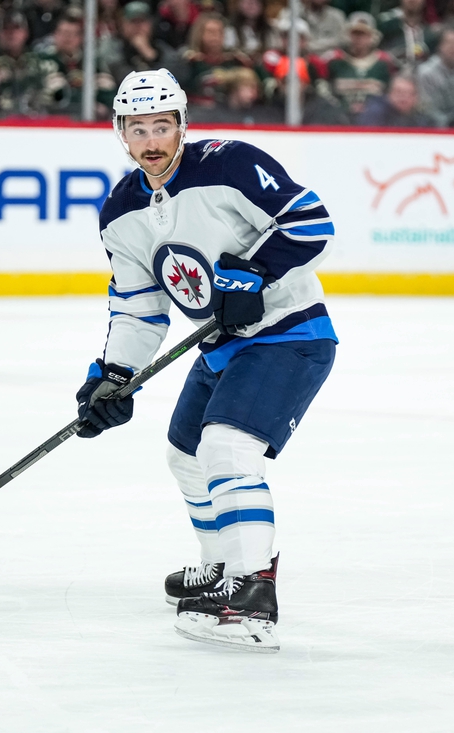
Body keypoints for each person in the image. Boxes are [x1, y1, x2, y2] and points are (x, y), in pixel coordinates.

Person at [77, 69, 336, 653]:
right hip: (220, 344)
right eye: (137, 127)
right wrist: (115, 375)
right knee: (186, 453)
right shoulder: (121, 209)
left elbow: (312, 221)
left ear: (182, 124)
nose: (151, 140)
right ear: (120, 132)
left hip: (288, 332)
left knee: (227, 449)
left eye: (162, 126)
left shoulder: (230, 164)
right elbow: (139, 307)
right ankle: (222, 567)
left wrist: (254, 270)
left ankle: (252, 593)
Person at [315, 11, 394, 118]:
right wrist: (341, 107)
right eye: (354, 33)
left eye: (363, 34)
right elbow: (323, 90)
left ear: (372, 36)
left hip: (376, 119)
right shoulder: (333, 60)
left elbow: (390, 93)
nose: (358, 39)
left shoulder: (384, 62)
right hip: (339, 117)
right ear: (347, 35)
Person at [105, 1, 185, 85]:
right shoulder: (112, 47)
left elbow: (179, 75)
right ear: (122, 24)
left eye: (142, 21)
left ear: (150, 24)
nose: (138, 26)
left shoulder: (161, 47)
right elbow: (118, 75)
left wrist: (152, 56)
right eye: (133, 21)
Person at [357, 71, 436, 125]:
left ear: (416, 97)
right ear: (389, 94)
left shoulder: (424, 121)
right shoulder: (375, 114)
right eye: (398, 92)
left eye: (408, 93)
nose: (403, 97)